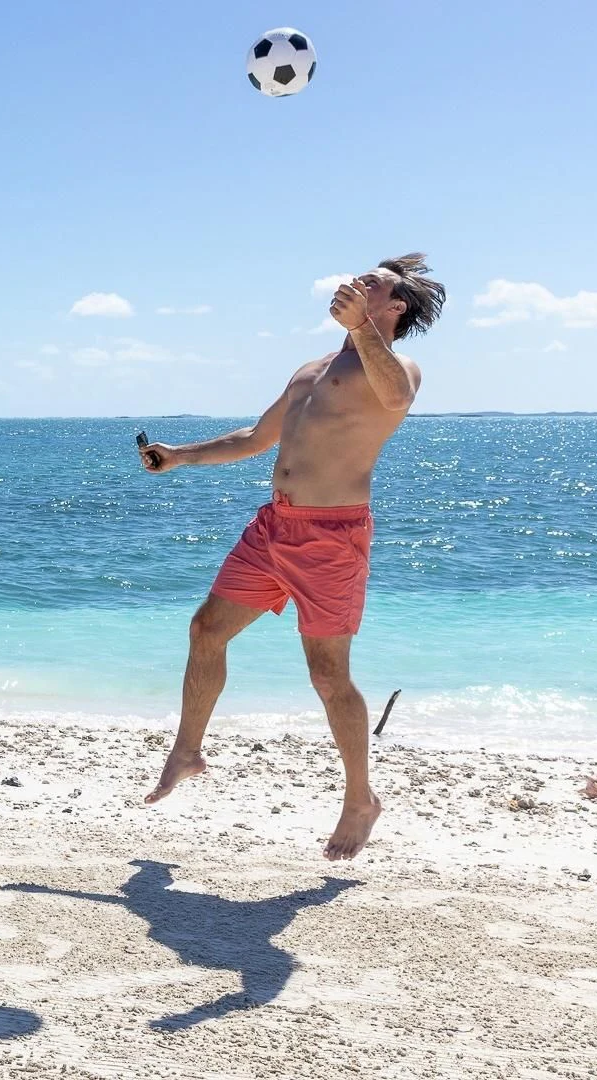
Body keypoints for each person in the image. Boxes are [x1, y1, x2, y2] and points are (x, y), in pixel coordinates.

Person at [138, 254, 446, 860]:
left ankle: (360, 799)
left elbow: (396, 397)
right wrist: (180, 457)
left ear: (394, 307)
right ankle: (188, 749)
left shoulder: (397, 366)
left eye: (371, 286)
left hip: (333, 536)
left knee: (328, 675)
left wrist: (362, 330)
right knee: (206, 629)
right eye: (357, 280)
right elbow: (256, 439)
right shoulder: (312, 369)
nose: (354, 286)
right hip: (274, 526)